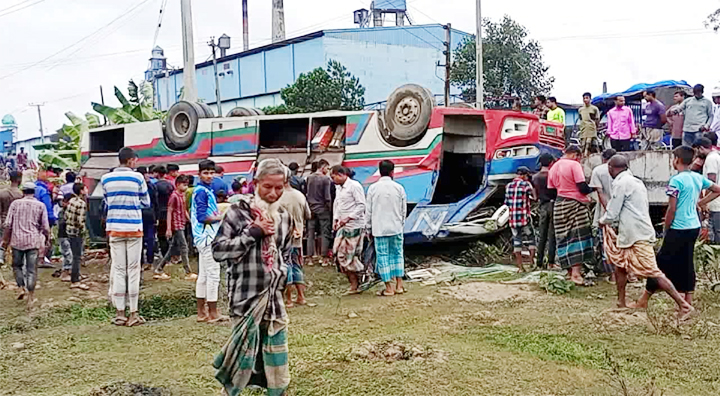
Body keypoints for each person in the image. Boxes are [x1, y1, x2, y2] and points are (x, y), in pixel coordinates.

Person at [212, 158, 293, 396]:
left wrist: (282, 276)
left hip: (273, 298)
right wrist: (253, 233)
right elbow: (219, 250)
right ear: (255, 183)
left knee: (277, 353)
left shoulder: (285, 217)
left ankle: (279, 391)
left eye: (279, 188)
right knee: (241, 357)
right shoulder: (238, 213)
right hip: (246, 297)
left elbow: (285, 253)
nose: (273, 193)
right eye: (268, 187)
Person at [599, 155, 694, 319]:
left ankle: (684, 306)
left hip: (636, 235)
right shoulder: (636, 181)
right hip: (632, 233)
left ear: (610, 168)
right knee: (620, 264)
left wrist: (602, 221)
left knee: (653, 272)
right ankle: (621, 302)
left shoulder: (621, 183)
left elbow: (612, 212)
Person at [633, 146, 720, 310]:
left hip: (678, 227)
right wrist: (699, 203)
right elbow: (717, 190)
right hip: (693, 226)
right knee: (686, 262)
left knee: (658, 264)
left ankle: (646, 299)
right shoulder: (697, 177)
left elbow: (672, 209)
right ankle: (687, 300)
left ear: (677, 160)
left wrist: (666, 227)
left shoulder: (676, 180)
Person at [101, 147, 151, 327]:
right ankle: (134, 313)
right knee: (133, 270)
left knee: (119, 270)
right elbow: (146, 202)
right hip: (134, 228)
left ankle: (119, 313)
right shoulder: (137, 177)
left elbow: (106, 201)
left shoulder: (106, 179)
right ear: (130, 161)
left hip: (114, 228)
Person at [548, 145, 594, 285]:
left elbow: (551, 190)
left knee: (563, 237)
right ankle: (576, 273)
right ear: (575, 155)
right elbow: (582, 187)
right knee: (578, 237)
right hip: (575, 205)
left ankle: (568, 272)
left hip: (559, 204)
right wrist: (594, 187)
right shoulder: (574, 165)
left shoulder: (554, 167)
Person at [2, 182, 49, 308]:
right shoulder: (40, 205)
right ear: (34, 192)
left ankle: (21, 287)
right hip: (33, 241)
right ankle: (31, 297)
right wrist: (47, 239)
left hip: (17, 241)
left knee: (17, 266)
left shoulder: (15, 204)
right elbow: (45, 226)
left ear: (23, 192)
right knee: (31, 269)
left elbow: (8, 224)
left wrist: (4, 241)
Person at [366, 160, 407, 296]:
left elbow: (369, 211)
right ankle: (399, 285)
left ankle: (389, 288)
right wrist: (400, 223)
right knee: (398, 254)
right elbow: (403, 210)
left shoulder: (373, 188)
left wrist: (368, 227)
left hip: (379, 228)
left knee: (383, 256)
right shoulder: (399, 188)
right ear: (392, 172)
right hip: (396, 227)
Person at [192, 159, 225, 323]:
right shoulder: (202, 192)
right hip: (207, 237)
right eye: (206, 173)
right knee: (213, 275)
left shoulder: (205, 190)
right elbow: (202, 217)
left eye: (212, 173)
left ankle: (201, 313)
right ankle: (213, 313)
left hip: (202, 238)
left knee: (204, 275)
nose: (209, 176)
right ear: (199, 174)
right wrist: (221, 218)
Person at [278, 166, 311, 307]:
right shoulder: (300, 195)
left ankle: (289, 299)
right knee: (297, 266)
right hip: (298, 237)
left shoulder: (278, 197)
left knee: (286, 266)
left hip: (282, 237)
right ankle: (301, 297)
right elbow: (308, 215)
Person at [331, 165, 367, 294]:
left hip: (354, 226)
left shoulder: (354, 186)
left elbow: (361, 205)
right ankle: (357, 281)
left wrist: (348, 218)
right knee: (338, 254)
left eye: (333, 176)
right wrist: (336, 219)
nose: (332, 179)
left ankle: (357, 282)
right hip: (342, 226)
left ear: (341, 175)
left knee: (350, 256)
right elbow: (337, 204)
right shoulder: (338, 188)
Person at [154, 175, 196, 280]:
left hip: (182, 223)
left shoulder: (182, 195)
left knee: (172, 249)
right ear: (177, 185)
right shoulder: (174, 196)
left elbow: (184, 210)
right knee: (184, 247)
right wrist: (168, 228)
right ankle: (188, 272)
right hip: (176, 225)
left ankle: (159, 269)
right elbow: (169, 211)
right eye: (184, 184)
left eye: (186, 185)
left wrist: (190, 221)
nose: (185, 187)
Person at [589, 149, 619, 278]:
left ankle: (612, 274)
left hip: (604, 211)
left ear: (604, 159)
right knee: (622, 242)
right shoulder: (624, 170)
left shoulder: (598, 170)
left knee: (606, 243)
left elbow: (600, 192)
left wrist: (608, 210)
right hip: (621, 211)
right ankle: (628, 274)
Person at [504, 166, 536, 272]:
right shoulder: (526, 185)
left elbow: (507, 203)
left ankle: (520, 267)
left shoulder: (508, 186)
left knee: (517, 241)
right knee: (531, 238)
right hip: (524, 218)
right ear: (524, 175)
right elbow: (534, 197)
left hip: (513, 219)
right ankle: (531, 263)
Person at [306, 159, 333, 266]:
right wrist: (330, 208)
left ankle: (309, 258)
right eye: (327, 168)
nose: (327, 170)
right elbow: (327, 197)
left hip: (311, 208)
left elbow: (307, 193)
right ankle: (324, 257)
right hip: (323, 209)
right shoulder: (326, 179)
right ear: (322, 167)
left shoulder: (309, 177)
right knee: (324, 233)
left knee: (310, 233)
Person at [532, 154, 557, 269]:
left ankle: (539, 262)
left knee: (542, 234)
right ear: (551, 162)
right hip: (554, 205)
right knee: (552, 235)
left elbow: (535, 196)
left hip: (542, 206)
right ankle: (551, 262)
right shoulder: (553, 175)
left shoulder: (535, 177)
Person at [65, 183, 89, 290]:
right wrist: (83, 231)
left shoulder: (71, 201)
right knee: (77, 256)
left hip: (69, 231)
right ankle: (75, 280)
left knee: (75, 254)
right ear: (81, 191)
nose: (87, 190)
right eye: (85, 188)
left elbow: (67, 216)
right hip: (76, 233)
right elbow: (80, 221)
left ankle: (77, 274)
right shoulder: (81, 203)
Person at [696, 138, 720, 243]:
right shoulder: (716, 156)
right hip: (715, 202)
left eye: (696, 151)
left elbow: (711, 182)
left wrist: (704, 202)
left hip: (716, 203)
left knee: (717, 233)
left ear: (701, 148)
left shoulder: (711, 159)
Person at [137, 166, 159, 269]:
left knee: (139, 238)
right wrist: (156, 216)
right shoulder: (151, 186)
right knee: (150, 238)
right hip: (150, 214)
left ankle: (141, 261)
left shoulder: (136, 185)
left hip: (138, 214)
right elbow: (155, 202)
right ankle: (150, 261)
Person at [0, 171, 23, 265]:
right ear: (19, 180)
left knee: (2, 241)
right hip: (17, 222)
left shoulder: (2, 193)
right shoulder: (21, 195)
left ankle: (1, 257)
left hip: (4, 221)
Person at [34, 167, 56, 268]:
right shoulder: (43, 191)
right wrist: (51, 220)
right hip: (42, 219)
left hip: (31, 219)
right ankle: (42, 259)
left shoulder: (33, 188)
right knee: (44, 239)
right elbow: (48, 207)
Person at [154, 166, 175, 258]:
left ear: (157, 174)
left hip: (160, 213)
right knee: (172, 235)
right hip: (170, 212)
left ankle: (165, 256)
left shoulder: (155, 185)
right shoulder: (170, 185)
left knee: (161, 236)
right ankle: (174, 255)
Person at [57, 194, 73, 282]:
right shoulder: (62, 212)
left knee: (70, 254)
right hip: (63, 235)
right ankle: (65, 273)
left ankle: (70, 272)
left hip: (69, 235)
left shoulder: (70, 212)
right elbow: (62, 223)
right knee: (67, 254)